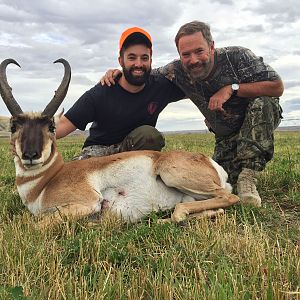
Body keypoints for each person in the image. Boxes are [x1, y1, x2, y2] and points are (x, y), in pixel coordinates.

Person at [101, 21, 284, 207]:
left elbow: (277, 87)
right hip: (226, 136)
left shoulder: (238, 56)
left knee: (264, 102)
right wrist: (118, 72)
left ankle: (249, 177)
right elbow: (142, 74)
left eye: (199, 51)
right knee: (215, 182)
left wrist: (231, 89)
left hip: (253, 121)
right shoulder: (176, 71)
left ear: (211, 47)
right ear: (179, 55)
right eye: (186, 54)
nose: (193, 60)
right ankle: (237, 173)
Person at [56, 27, 185, 159]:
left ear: (151, 61)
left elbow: (194, 88)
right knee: (75, 176)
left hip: (132, 154)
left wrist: (208, 95)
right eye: (132, 57)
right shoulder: (102, 91)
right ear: (121, 61)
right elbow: (64, 124)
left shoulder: (160, 86)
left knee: (149, 136)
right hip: (100, 154)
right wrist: (38, 133)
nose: (138, 64)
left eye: (144, 58)